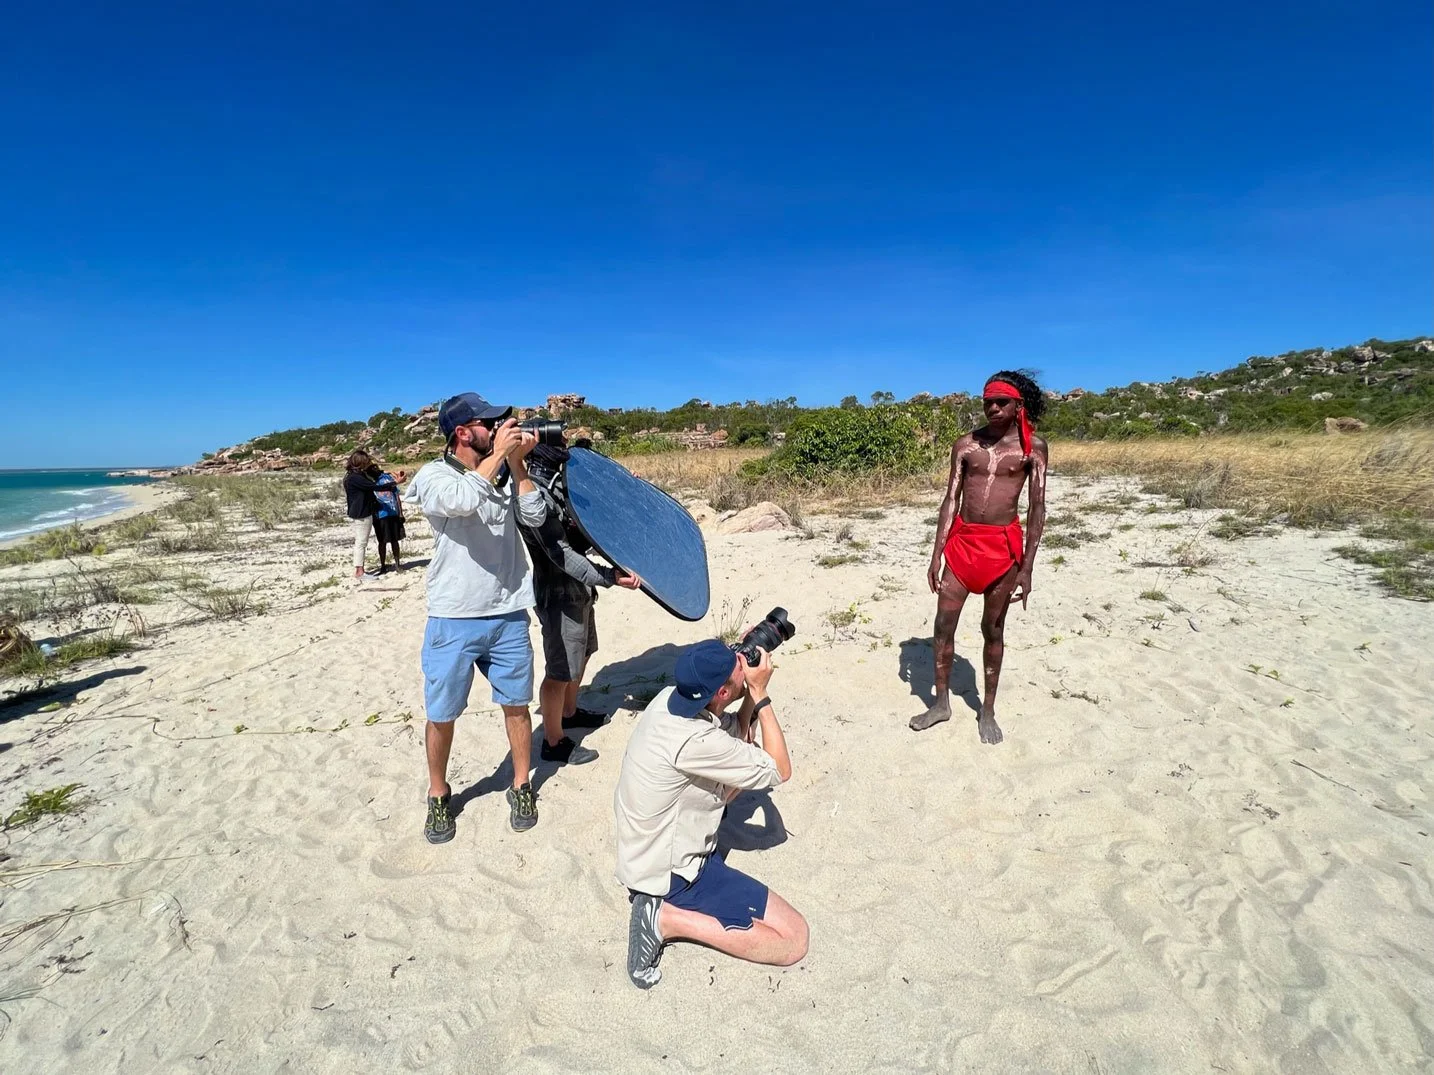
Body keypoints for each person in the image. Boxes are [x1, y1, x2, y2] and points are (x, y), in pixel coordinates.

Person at [407, 392, 567, 845]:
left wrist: (516, 466)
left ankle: (521, 785)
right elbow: (459, 501)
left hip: (508, 613)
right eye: (489, 423)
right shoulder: (435, 476)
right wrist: (499, 455)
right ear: (463, 433)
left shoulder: (500, 474)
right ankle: (438, 793)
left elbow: (535, 516)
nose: (498, 428)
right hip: (454, 617)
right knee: (442, 713)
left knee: (516, 707)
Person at [614, 638, 807, 990]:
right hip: (674, 874)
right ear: (720, 692)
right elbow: (780, 769)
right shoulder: (695, 742)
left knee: (738, 770)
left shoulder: (670, 701)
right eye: (738, 670)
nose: (743, 665)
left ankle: (665, 911)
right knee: (793, 939)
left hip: (645, 851)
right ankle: (666, 920)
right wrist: (760, 694)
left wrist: (743, 688)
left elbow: (733, 735)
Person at [911, 370, 1048, 744]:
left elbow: (1038, 508)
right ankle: (941, 704)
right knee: (943, 625)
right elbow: (950, 499)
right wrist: (936, 554)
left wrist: (1028, 568)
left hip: (1003, 551)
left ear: (1017, 405)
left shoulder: (1031, 448)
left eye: (1001, 402)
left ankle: (987, 709)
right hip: (963, 545)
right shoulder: (965, 445)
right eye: (987, 401)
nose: (992, 407)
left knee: (993, 630)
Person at [521, 441, 644, 744]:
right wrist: (609, 576)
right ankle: (553, 741)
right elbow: (562, 554)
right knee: (560, 670)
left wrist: (624, 491)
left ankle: (569, 712)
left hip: (580, 591)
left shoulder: (559, 490)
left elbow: (592, 529)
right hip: (557, 594)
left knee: (583, 654)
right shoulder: (532, 497)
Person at [343, 450, 397, 582]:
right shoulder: (356, 478)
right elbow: (374, 487)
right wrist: (395, 483)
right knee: (361, 542)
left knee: (361, 542)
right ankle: (359, 571)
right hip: (362, 512)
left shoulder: (351, 476)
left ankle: (359, 569)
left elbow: (372, 481)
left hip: (359, 511)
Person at [371, 463, 406, 573]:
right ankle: (383, 565)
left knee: (393, 540)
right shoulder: (370, 482)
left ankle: (396, 564)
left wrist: (400, 513)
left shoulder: (387, 478)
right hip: (380, 515)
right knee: (383, 541)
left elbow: (396, 496)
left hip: (391, 513)